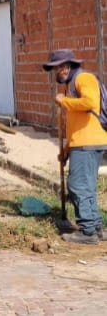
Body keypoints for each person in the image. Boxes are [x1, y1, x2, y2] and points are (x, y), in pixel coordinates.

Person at [43, 49, 107, 244]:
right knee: (86, 186)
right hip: (83, 142)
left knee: (77, 185)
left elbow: (90, 102)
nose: (56, 73)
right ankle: (96, 228)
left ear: (65, 67)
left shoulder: (84, 78)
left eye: (57, 68)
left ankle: (87, 231)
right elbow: (76, 125)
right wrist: (66, 151)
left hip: (89, 141)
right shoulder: (72, 84)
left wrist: (65, 102)